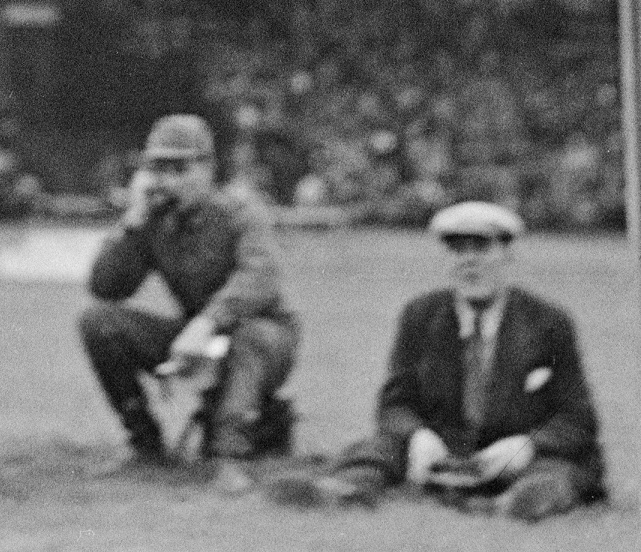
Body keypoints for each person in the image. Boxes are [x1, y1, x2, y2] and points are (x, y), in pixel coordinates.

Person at [272, 202, 602, 519]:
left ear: (507, 254)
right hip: (441, 453)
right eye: (459, 251)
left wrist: (526, 446)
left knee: (558, 473)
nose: (469, 262)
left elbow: (578, 419)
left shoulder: (547, 322)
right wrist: (419, 436)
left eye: (482, 248)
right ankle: (341, 489)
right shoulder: (421, 315)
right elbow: (394, 405)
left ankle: (519, 501)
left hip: (514, 455)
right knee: (379, 449)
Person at [79, 111, 299, 473]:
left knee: (253, 336)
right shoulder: (154, 220)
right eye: (159, 169)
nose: (168, 180)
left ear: (208, 169)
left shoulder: (240, 212)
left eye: (180, 169)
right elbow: (106, 288)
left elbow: (260, 277)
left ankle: (229, 454)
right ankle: (144, 443)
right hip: (196, 339)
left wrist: (208, 322)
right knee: (98, 321)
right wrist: (133, 221)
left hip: (264, 337)